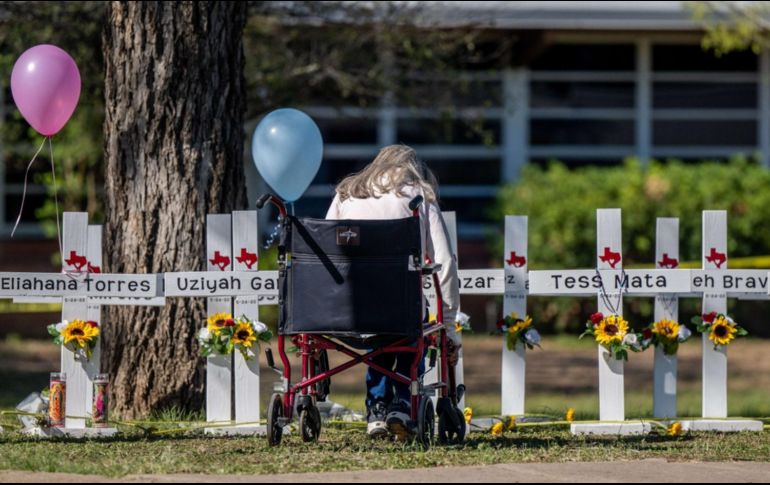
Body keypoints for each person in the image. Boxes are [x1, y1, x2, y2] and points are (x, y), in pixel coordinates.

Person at [326, 144, 461, 439]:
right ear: (414, 169)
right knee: (410, 327)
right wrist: (449, 325)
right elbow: (445, 262)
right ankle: (401, 400)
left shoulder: (346, 193)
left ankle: (376, 406)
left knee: (379, 330)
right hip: (401, 306)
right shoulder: (420, 196)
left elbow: (327, 248)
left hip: (349, 307)